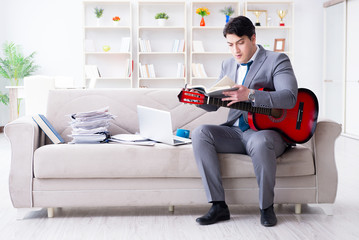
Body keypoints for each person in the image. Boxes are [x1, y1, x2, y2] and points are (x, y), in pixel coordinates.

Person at [191, 16, 298, 227]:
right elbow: (216, 102)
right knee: (200, 132)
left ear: (253, 38)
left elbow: (289, 97)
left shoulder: (277, 60)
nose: (235, 50)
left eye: (240, 43)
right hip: (235, 132)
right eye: (230, 45)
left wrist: (250, 95)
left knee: (259, 142)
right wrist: (201, 99)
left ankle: (266, 208)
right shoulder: (227, 64)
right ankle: (218, 206)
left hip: (265, 134)